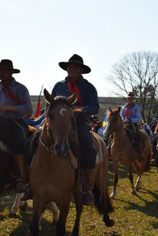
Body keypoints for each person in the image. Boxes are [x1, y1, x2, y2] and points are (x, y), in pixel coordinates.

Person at [51, 54, 99, 205]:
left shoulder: (88, 87)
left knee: (87, 148)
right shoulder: (58, 86)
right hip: (57, 124)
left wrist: (77, 110)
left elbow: (95, 107)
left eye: (75, 67)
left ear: (81, 70)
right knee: (35, 142)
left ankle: (87, 189)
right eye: (69, 66)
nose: (71, 69)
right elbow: (50, 105)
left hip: (78, 124)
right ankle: (30, 183)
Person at [0, 59, 33, 193]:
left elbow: (28, 110)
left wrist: (7, 107)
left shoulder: (20, 88)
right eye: (0, 71)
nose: (1, 74)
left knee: (20, 140)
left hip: (15, 122)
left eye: (4, 71)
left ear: (11, 72)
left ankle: (21, 176)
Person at [121, 92, 145, 162]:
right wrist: (123, 120)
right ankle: (111, 149)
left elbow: (137, 118)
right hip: (124, 124)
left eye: (131, 98)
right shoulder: (123, 107)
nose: (130, 99)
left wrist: (130, 120)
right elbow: (122, 116)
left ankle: (140, 153)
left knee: (138, 134)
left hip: (133, 124)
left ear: (133, 99)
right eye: (129, 98)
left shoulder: (136, 107)